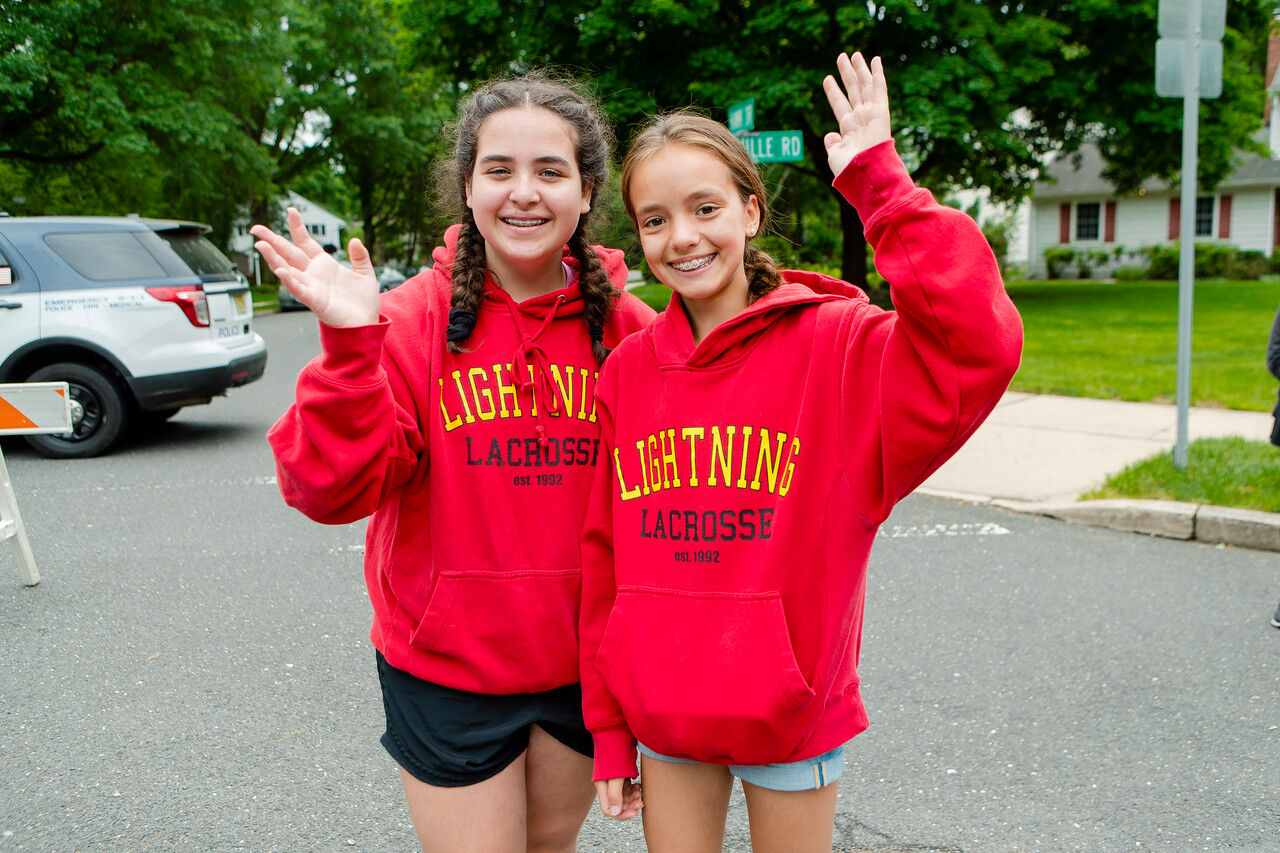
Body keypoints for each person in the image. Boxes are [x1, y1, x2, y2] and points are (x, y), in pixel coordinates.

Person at [578, 53, 1023, 851]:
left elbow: (974, 345)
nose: (682, 237)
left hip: (790, 714)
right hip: (666, 713)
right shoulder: (627, 374)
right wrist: (610, 727)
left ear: (751, 211)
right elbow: (604, 558)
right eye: (654, 219)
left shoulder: (837, 346)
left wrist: (882, 187)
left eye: (705, 207)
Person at [253, 73, 655, 852]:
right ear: (467, 187)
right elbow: (327, 488)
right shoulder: (404, 322)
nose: (524, 194)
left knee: (550, 845)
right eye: (499, 169)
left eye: (550, 171)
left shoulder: (629, 329)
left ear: (587, 190)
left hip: (582, 670)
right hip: (447, 668)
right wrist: (347, 347)